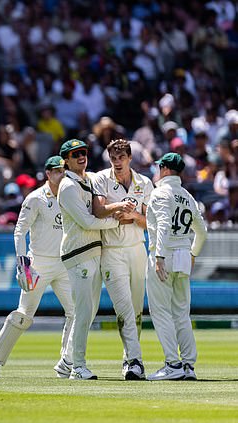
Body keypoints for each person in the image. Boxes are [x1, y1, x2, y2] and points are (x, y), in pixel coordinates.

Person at [0, 156, 75, 379]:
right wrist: (23, 264)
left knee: (77, 313)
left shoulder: (71, 196)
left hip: (64, 264)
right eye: (57, 171)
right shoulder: (35, 199)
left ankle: (67, 362)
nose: (61, 175)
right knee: (24, 316)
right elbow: (19, 231)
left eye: (64, 171)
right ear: (48, 173)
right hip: (39, 264)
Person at [57, 139, 134, 380]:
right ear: (66, 161)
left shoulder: (86, 179)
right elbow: (87, 222)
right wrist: (117, 219)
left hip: (93, 251)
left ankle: (66, 362)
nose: (81, 157)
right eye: (75, 154)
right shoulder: (68, 186)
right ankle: (78, 367)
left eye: (84, 153)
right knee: (82, 312)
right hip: (78, 253)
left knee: (88, 313)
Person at [92, 139, 154, 380]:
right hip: (111, 250)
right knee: (124, 309)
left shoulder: (144, 183)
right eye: (113, 158)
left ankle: (129, 358)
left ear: (129, 158)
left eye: (121, 158)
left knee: (136, 311)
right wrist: (117, 208)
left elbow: (149, 222)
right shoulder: (100, 179)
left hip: (137, 249)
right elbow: (98, 211)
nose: (117, 162)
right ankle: (136, 362)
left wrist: (131, 214)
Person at [146, 153, 207, 381]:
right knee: (181, 313)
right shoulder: (187, 196)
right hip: (182, 256)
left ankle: (172, 364)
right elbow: (202, 232)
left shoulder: (160, 193)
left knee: (161, 312)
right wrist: (193, 254)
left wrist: (159, 256)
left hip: (164, 254)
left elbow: (163, 224)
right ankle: (188, 366)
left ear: (164, 169)